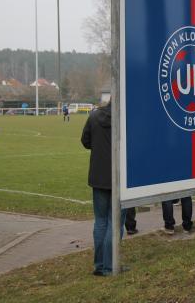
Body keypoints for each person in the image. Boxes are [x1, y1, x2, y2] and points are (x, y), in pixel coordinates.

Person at [81, 100, 126, 276]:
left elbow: (85, 141)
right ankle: (109, 265)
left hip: (98, 176)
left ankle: (101, 265)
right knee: (115, 222)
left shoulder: (93, 116)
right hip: (119, 177)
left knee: (100, 221)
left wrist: (100, 148)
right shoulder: (124, 118)